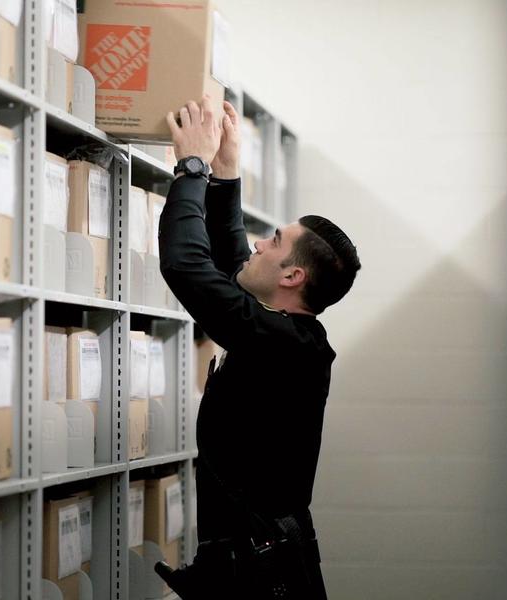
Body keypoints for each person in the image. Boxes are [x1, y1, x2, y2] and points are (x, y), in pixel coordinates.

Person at [153, 96, 361, 599]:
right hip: (255, 564)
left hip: (263, 578)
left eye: (273, 240)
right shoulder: (284, 333)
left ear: (293, 275)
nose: (259, 244)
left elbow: (188, 267)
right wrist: (224, 175)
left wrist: (192, 168)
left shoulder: (285, 346)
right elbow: (235, 267)